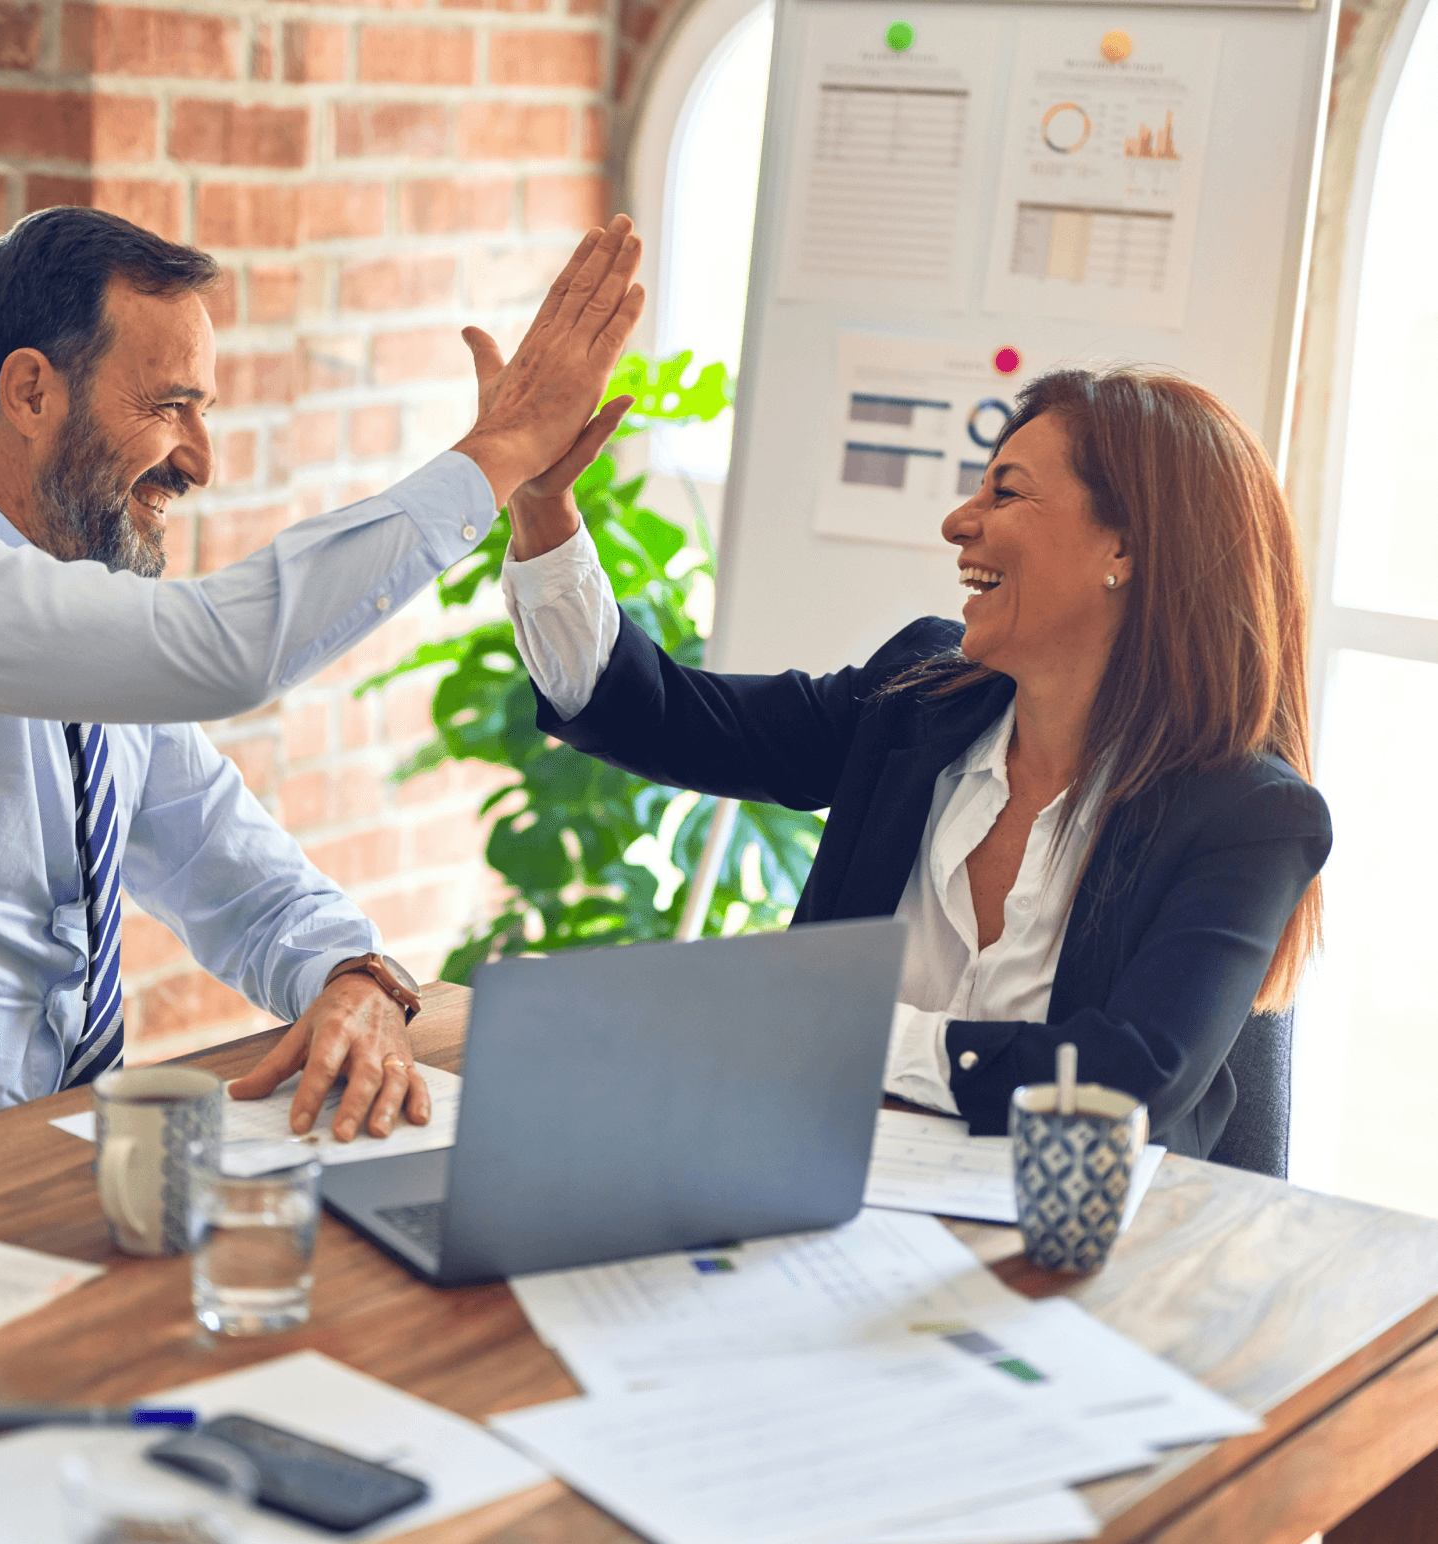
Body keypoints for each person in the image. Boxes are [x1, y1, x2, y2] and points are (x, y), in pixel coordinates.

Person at [0, 205, 643, 1164]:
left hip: (48, 1188)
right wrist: (496, 455)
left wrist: (354, 977)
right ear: (31, 393)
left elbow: (249, 886)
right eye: (170, 407)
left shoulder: (97, 659)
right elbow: (218, 649)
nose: (203, 460)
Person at [499, 367, 1331, 1157]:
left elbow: (1123, 1082)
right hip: (824, 1193)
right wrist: (544, 511)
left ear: (1125, 548)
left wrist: (843, 1029)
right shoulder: (918, 699)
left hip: (1085, 1260)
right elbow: (669, 719)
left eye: (1005, 491)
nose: (958, 522)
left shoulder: (1249, 815)